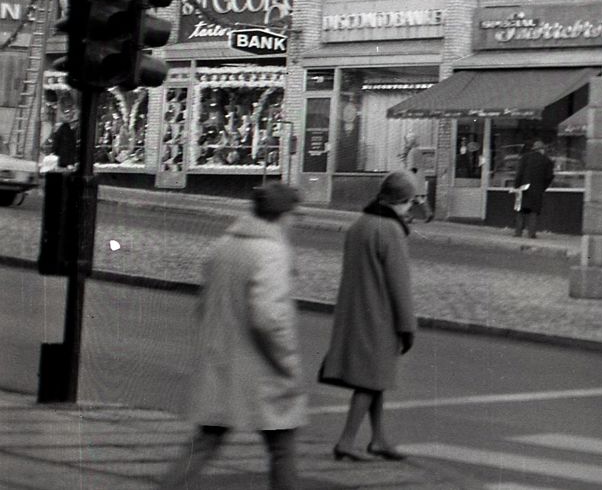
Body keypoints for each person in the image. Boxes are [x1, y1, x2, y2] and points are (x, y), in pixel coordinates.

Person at [155, 182, 305, 490]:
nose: (295, 222)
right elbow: (269, 319)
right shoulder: (272, 252)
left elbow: (204, 305)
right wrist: (287, 362)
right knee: (282, 445)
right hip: (262, 369)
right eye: (294, 215)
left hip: (221, 361)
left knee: (206, 441)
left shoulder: (224, 245)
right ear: (283, 215)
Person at [320, 171, 417, 461]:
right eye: (410, 202)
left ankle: (378, 438)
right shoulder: (391, 230)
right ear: (401, 201)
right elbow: (399, 283)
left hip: (356, 310)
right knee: (370, 381)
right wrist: (407, 325)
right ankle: (347, 441)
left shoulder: (360, 224)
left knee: (376, 377)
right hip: (381, 316)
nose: (410, 207)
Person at [513, 140, 554, 238]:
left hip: (523, 188)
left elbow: (519, 174)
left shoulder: (525, 158)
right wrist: (543, 187)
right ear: (542, 150)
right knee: (533, 211)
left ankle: (518, 232)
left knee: (521, 210)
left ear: (534, 149)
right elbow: (549, 177)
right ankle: (531, 233)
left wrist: (516, 186)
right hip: (537, 189)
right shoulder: (547, 160)